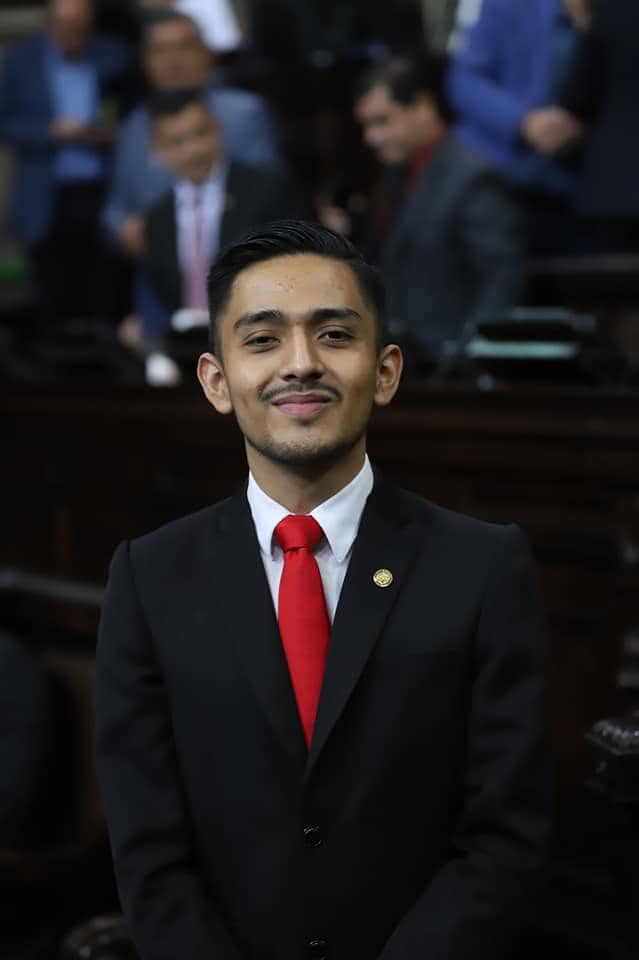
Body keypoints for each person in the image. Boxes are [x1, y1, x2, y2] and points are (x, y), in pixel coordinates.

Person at [96, 219, 552, 960]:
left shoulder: (482, 567)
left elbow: (505, 837)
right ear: (216, 381)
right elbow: (149, 850)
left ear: (386, 370)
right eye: (262, 339)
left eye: (335, 335)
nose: (301, 364)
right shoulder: (149, 578)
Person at [353, 57, 522, 371]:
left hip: (450, 369)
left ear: (423, 106)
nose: (371, 138)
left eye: (382, 121)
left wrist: (468, 356)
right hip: (406, 362)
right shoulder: (395, 176)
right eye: (366, 125)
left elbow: (502, 278)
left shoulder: (473, 177)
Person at [103, 9, 282, 253]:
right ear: (145, 63)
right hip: (158, 263)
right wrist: (125, 229)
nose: (174, 62)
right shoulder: (133, 128)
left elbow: (269, 198)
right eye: (161, 50)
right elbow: (115, 213)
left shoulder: (244, 114)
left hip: (235, 257)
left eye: (185, 47)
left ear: (207, 55)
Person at [140, 89, 307, 348]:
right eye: (177, 142)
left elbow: (297, 268)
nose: (193, 150)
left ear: (218, 130)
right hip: (187, 347)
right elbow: (161, 294)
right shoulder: (157, 218)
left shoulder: (265, 190)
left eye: (200, 134)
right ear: (158, 149)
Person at [0, 0, 129, 326]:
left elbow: (132, 111)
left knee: (104, 288)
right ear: (49, 24)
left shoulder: (113, 55)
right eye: (65, 25)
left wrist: (111, 132)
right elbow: (5, 123)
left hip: (103, 188)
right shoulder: (21, 59)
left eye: (80, 25)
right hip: (46, 193)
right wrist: (50, 131)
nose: (73, 33)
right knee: (51, 293)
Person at [447, 0, 590, 256]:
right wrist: (524, 122)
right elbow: (464, 81)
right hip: (502, 175)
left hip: (583, 184)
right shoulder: (507, 4)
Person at [560, 0, 639, 253]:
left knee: (604, 276)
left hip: (612, 189)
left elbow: (576, 98)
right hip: (612, 193)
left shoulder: (612, 9)